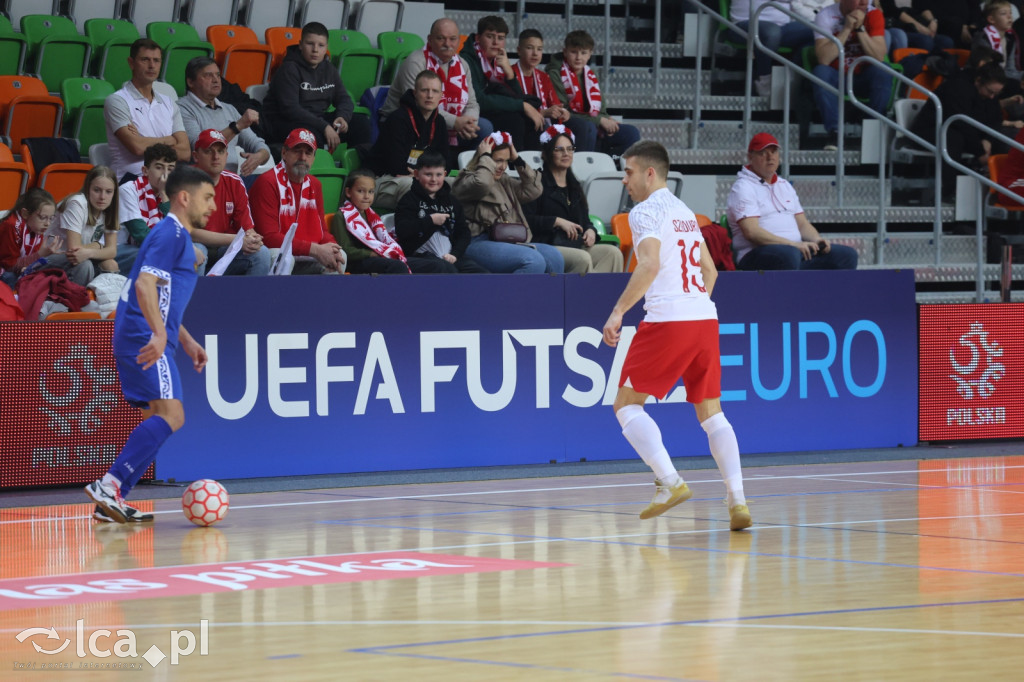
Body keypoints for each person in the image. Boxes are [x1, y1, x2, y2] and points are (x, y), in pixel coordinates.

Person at [601, 140, 750, 531]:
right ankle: (737, 500)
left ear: (650, 173)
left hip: (668, 319)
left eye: (629, 171)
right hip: (704, 319)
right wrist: (694, 306)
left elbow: (648, 265)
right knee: (711, 412)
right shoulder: (685, 212)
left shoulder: (644, 211)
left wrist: (618, 311)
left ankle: (669, 481)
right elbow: (711, 272)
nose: (624, 179)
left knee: (627, 405)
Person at [84, 165, 215, 524]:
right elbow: (143, 286)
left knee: (156, 418)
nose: (213, 205)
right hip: (144, 336)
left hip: (139, 335)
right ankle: (108, 485)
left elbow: (162, 297)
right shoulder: (171, 233)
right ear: (183, 198)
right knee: (173, 415)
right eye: (208, 197)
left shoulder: (172, 236)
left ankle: (111, 499)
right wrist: (160, 335)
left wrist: (184, 340)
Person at [727, 133, 859, 270]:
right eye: (763, 153)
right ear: (750, 157)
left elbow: (802, 224)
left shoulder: (784, 185)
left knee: (847, 255)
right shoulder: (743, 187)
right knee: (788, 256)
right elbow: (752, 232)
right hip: (756, 254)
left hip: (795, 251)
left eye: (774, 152)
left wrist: (817, 240)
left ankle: (826, 292)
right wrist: (793, 245)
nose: (770, 157)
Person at [452, 133, 564, 274]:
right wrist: (485, 156)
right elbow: (482, 183)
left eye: (506, 161)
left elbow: (534, 190)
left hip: (508, 241)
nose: (503, 166)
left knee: (554, 256)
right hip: (476, 241)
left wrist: (517, 160)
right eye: (498, 160)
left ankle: (551, 296)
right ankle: (509, 296)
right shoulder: (467, 179)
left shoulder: (504, 180)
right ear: (483, 159)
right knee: (533, 260)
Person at [380, 18, 492, 159]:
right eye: (441, 38)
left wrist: (469, 122)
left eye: (452, 39)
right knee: (437, 126)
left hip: (449, 124)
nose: (447, 44)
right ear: (430, 39)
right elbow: (417, 105)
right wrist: (455, 122)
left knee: (484, 127)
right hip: (409, 122)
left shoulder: (463, 64)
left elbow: (472, 103)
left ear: (459, 41)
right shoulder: (416, 62)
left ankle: (469, 173)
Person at [524, 125, 623, 273]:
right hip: (546, 244)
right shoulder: (536, 181)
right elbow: (526, 219)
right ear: (546, 153)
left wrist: (590, 231)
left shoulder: (575, 185)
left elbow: (585, 221)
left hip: (574, 244)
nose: (566, 153)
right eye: (559, 149)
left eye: (570, 149)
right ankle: (581, 294)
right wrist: (556, 221)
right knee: (582, 258)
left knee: (613, 254)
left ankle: (602, 295)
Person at [261, 21, 371, 153]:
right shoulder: (289, 69)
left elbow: (344, 98)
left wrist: (342, 117)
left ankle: (357, 169)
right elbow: (291, 109)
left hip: (316, 120)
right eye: (310, 44)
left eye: (321, 45)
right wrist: (324, 126)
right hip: (284, 122)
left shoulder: (329, 69)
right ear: (301, 45)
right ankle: (318, 170)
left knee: (361, 124)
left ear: (326, 48)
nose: (315, 50)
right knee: (312, 136)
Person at [250, 128, 346, 275]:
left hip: (307, 254)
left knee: (340, 256)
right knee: (283, 258)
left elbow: (322, 232)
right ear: (284, 153)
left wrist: (332, 246)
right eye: (297, 151)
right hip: (277, 253)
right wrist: (315, 250)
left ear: (314, 158)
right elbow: (268, 237)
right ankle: (276, 298)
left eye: (308, 153)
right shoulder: (267, 182)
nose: (302, 157)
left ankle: (321, 298)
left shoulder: (315, 185)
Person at [331, 168, 457, 274]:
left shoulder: (372, 215)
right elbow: (345, 250)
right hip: (360, 263)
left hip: (382, 257)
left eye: (370, 192)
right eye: (360, 191)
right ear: (348, 192)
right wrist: (372, 253)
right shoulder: (341, 216)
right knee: (398, 267)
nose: (366, 196)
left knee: (438, 264)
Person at [104, 38, 191, 183]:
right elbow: (137, 148)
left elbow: (185, 152)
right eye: (145, 60)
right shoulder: (117, 100)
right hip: (131, 180)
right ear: (131, 63)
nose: (152, 66)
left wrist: (145, 141)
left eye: (156, 60)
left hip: (165, 181)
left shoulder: (169, 103)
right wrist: (168, 140)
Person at [911, 62, 1006, 190]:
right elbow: (960, 122)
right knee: (953, 138)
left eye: (996, 94)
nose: (992, 97)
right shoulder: (957, 86)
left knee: (1004, 138)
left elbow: (996, 118)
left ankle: (1001, 188)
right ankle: (949, 190)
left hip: (962, 131)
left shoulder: (988, 94)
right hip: (931, 129)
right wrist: (980, 152)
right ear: (978, 81)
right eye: (990, 92)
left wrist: (988, 139)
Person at [812, 0, 894, 151]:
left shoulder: (873, 14)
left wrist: (860, 29)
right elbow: (824, 58)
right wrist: (847, 28)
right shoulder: (826, 15)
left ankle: (873, 131)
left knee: (883, 70)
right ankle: (835, 132)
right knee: (820, 71)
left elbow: (879, 57)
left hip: (863, 76)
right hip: (838, 76)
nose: (864, 2)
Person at [189, 129, 271, 276]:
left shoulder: (234, 181)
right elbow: (190, 232)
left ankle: (250, 299)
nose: (216, 157)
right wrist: (237, 239)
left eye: (220, 151)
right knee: (195, 252)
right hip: (194, 244)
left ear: (227, 155)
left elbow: (246, 227)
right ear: (195, 156)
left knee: (261, 254)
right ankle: (196, 299)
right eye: (209, 151)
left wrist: (253, 238)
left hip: (224, 248)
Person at [546, 30, 641, 156]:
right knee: (588, 127)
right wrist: (600, 121)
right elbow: (564, 111)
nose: (578, 57)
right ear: (565, 52)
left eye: (583, 52)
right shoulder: (555, 73)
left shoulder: (590, 74)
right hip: (565, 120)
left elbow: (600, 107)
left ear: (590, 54)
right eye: (574, 52)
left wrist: (607, 119)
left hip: (591, 122)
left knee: (631, 133)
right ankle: (582, 169)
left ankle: (608, 162)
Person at [367, 69, 450, 212]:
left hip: (420, 177)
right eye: (425, 90)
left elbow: (444, 160)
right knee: (413, 185)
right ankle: (418, 230)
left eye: (435, 91)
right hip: (384, 180)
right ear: (415, 93)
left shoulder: (439, 121)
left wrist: (427, 175)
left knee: (456, 184)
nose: (430, 95)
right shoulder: (398, 119)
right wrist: (424, 176)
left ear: (441, 96)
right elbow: (395, 165)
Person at [394, 148, 488, 273]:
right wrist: (430, 220)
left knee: (482, 274)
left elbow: (464, 233)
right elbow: (402, 230)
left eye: (438, 175)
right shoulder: (408, 200)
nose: (434, 179)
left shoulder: (452, 201)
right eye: (428, 174)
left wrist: (455, 254)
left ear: (444, 174)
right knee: (446, 269)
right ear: (416, 174)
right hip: (419, 257)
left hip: (450, 255)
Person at [177, 56, 272, 179]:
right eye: (208, 75)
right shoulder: (182, 108)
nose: (216, 80)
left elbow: (257, 144)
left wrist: (259, 156)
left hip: (232, 179)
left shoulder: (229, 109)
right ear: (191, 82)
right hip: (201, 181)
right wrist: (237, 126)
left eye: (217, 75)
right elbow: (200, 147)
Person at [460, 16, 544, 151]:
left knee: (535, 122)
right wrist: (522, 106)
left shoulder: (498, 60)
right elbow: (479, 100)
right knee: (514, 120)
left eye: (500, 38)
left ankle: (531, 167)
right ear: (478, 38)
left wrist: (509, 72)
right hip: (471, 111)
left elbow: (518, 96)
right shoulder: (467, 60)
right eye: (490, 36)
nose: (495, 42)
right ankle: (513, 166)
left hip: (491, 109)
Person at [44, 166, 121, 285]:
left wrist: (91, 252)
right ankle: (75, 301)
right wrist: (99, 245)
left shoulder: (109, 209)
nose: (102, 197)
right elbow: (74, 250)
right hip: (50, 257)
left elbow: (112, 251)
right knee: (85, 265)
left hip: (80, 256)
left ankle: (105, 302)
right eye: (97, 190)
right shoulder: (77, 203)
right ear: (87, 188)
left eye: (108, 192)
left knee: (111, 264)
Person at [726, 0, 816, 97]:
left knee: (818, 31)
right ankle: (764, 80)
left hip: (782, 27)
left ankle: (790, 77)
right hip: (744, 24)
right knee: (772, 32)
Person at [116, 143, 176, 273]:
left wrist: (164, 195)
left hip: (157, 247)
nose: (165, 174)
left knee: (198, 250)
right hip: (123, 248)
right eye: (159, 167)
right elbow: (141, 234)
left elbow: (178, 231)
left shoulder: (172, 194)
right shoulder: (128, 189)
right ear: (145, 171)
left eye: (170, 169)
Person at [0, 188, 57, 287]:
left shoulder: (37, 226)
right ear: (25, 214)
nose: (47, 224)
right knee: (10, 277)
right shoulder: (11, 226)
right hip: (4, 270)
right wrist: (40, 254)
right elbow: (9, 265)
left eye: (51, 218)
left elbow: (29, 261)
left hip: (16, 267)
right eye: (43, 217)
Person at [513, 29, 571, 126]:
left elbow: (555, 104)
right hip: (520, 123)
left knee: (582, 126)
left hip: (544, 123)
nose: (535, 53)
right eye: (530, 48)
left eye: (539, 49)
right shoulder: (510, 74)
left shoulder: (543, 77)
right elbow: (513, 109)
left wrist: (562, 112)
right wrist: (543, 112)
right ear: (519, 51)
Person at [973, 1, 1022, 97]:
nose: (1009, 17)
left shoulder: (1011, 39)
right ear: (991, 19)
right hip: (988, 80)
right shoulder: (983, 38)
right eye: (1003, 14)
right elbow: (984, 68)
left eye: (1010, 13)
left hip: (1004, 78)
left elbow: (1011, 68)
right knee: (1014, 87)